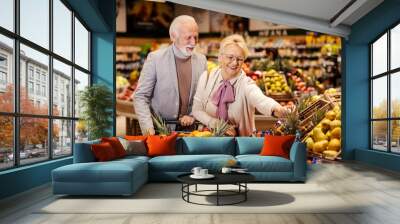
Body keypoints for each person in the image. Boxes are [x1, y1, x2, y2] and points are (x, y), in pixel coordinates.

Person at [192, 34, 290, 136]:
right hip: (207, 139)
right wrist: (215, 123)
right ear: (220, 57)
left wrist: (279, 110)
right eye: (230, 57)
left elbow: (261, 100)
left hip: (239, 146)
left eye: (240, 59)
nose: (235, 63)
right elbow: (197, 109)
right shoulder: (206, 77)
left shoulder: (246, 84)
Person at [134, 15, 207, 135]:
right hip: (161, 132)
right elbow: (141, 97)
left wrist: (193, 115)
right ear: (173, 36)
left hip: (191, 132)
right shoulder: (156, 59)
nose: (193, 43)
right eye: (188, 38)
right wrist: (148, 130)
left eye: (196, 37)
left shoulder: (201, 60)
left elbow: (203, 96)